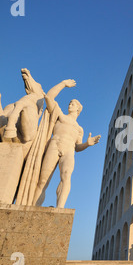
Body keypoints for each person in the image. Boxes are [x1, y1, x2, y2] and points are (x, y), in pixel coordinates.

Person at [33, 78, 100, 208]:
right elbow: (49, 97)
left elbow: (77, 147)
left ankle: (60, 208)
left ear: (78, 109)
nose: (70, 104)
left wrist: (87, 144)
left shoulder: (79, 128)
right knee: (42, 180)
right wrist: (63, 84)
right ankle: (33, 207)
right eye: (70, 103)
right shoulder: (60, 115)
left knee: (66, 175)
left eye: (73, 104)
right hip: (54, 145)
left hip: (69, 150)